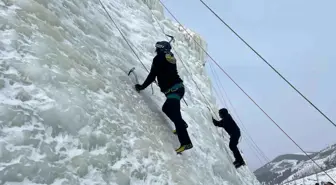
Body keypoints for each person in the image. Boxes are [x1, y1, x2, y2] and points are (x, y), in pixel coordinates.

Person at [134, 40, 193, 154]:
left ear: (160, 49)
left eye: (157, 48)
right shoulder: (170, 57)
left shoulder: (159, 58)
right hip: (177, 89)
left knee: (176, 115)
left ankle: (186, 142)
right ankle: (182, 124)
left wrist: (142, 87)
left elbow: (152, 75)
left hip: (173, 91)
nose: (156, 50)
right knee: (166, 108)